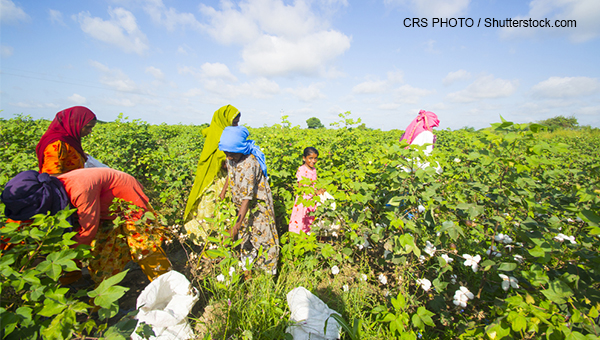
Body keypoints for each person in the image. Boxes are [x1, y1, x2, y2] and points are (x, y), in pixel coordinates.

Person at [1, 168, 172, 284]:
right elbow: (20, 223)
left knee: (144, 247)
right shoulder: (52, 189)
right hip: (104, 209)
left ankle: (168, 285)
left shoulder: (79, 190)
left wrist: (58, 258)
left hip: (127, 202)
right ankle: (102, 292)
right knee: (103, 254)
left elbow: (88, 231)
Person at [218, 126, 279, 274]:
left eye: (231, 153)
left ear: (240, 148)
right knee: (244, 239)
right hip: (241, 207)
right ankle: (248, 271)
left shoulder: (249, 163)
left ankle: (267, 276)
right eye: (226, 153)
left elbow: (247, 199)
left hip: (257, 206)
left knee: (262, 238)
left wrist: (235, 228)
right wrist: (223, 190)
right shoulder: (232, 156)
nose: (229, 156)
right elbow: (230, 172)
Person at [183, 105, 240, 245]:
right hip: (218, 182)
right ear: (225, 121)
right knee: (217, 215)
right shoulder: (222, 137)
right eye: (234, 123)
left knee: (212, 216)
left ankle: (213, 246)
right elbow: (228, 165)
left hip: (214, 181)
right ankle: (214, 247)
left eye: (237, 123)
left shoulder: (215, 133)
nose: (236, 126)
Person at [36, 106, 97, 175]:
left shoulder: (70, 141)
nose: (90, 131)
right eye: (88, 127)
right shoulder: (57, 144)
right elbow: (52, 175)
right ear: (75, 123)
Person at [288, 147, 325, 234]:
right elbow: (301, 188)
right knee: (301, 221)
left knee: (310, 221)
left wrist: (319, 191)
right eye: (310, 158)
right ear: (304, 158)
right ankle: (298, 240)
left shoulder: (314, 170)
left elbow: (313, 184)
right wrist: (315, 192)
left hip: (312, 199)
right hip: (304, 200)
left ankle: (308, 238)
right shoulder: (302, 169)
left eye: (315, 158)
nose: (313, 160)